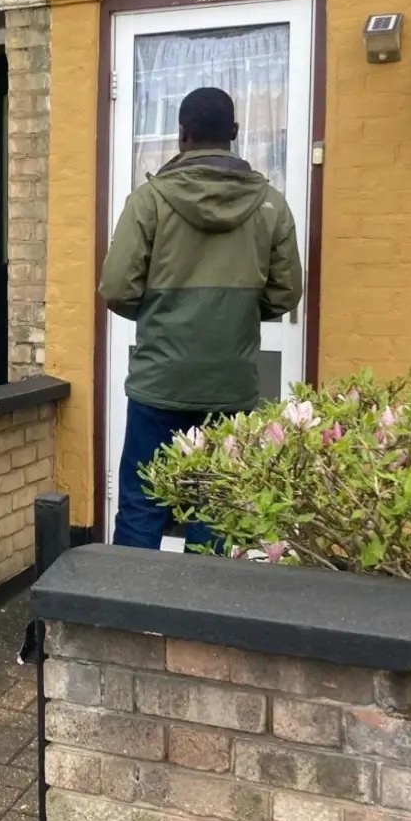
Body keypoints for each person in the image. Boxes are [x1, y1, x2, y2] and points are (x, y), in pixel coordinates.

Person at [99, 87, 303, 550]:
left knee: (142, 502)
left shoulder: (148, 201)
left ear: (182, 134)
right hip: (229, 386)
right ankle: (199, 617)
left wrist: (162, 314)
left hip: (160, 383)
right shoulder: (270, 204)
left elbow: (116, 289)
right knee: (215, 503)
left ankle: (126, 617)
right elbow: (287, 292)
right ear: (234, 133)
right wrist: (234, 317)